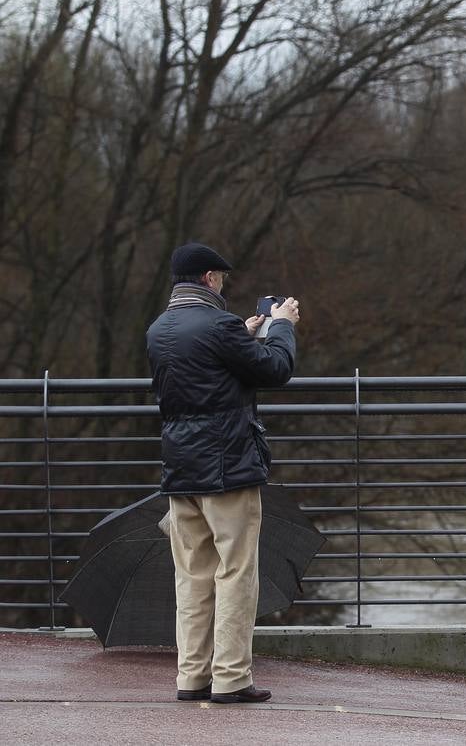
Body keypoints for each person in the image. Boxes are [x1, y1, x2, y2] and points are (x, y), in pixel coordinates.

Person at [145, 242, 300, 704]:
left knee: (191, 575)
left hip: (181, 466)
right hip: (227, 467)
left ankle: (192, 677)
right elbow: (276, 370)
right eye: (222, 279)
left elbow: (205, 374)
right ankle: (232, 678)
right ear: (211, 278)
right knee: (235, 572)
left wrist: (243, 333)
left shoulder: (159, 328)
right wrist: (281, 327)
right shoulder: (218, 325)